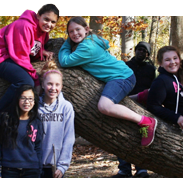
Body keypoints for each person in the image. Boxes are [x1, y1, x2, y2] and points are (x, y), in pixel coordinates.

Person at [58, 16, 157, 147]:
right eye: (71, 32)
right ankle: (139, 97)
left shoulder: (87, 47)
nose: (74, 33)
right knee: (114, 100)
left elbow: (64, 61)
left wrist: (65, 43)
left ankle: (145, 121)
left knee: (104, 106)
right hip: (122, 75)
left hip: (121, 77)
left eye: (78, 29)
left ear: (87, 29)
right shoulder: (92, 40)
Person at [0, 3, 60, 136]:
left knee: (26, 81)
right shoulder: (24, 25)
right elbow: (20, 56)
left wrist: (42, 51)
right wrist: (37, 81)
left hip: (10, 58)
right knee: (25, 81)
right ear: (38, 15)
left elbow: (31, 49)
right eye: (46, 19)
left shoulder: (43, 33)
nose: (49, 24)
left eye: (53, 22)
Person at [112, 41, 156, 178]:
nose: (141, 52)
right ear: (135, 51)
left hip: (143, 107)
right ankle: (124, 169)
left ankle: (141, 168)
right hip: (124, 103)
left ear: (147, 54)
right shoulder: (125, 65)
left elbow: (152, 88)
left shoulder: (150, 69)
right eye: (139, 49)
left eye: (144, 51)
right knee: (121, 134)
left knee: (142, 135)